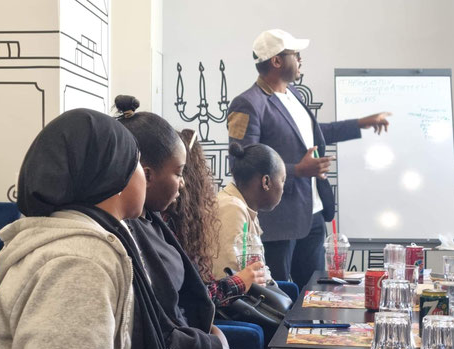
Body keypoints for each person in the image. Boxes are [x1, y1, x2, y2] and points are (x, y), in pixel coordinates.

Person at [0, 109, 194, 349]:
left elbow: (120, 333)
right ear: (114, 175)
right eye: (137, 163)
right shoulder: (78, 264)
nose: (144, 174)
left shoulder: (89, 242)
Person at [115, 96, 259, 349]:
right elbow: (149, 328)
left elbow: (183, 304)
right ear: (147, 173)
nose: (184, 185)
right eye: (179, 173)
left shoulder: (152, 220)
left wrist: (210, 329)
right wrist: (212, 345)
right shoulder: (123, 238)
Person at [227, 28, 391, 289]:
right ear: (277, 61)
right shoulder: (247, 104)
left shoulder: (294, 95)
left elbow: (314, 134)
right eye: (296, 54)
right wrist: (297, 170)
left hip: (312, 214)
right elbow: (241, 163)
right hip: (279, 221)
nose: (301, 60)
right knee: (280, 298)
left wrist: (361, 123)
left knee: (317, 293)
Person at [162, 129, 266, 308]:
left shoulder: (181, 223)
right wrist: (241, 281)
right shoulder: (168, 225)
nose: (182, 183)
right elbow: (198, 297)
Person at [212, 142, 286, 281]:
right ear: (266, 182)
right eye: (282, 180)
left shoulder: (245, 207)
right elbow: (227, 276)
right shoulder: (232, 209)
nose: (283, 188)